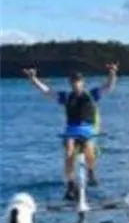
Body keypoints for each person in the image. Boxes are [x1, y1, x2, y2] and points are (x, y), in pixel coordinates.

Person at [23, 64, 118, 197]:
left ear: (82, 83)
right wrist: (34, 79)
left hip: (87, 130)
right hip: (71, 131)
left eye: (77, 81)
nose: (75, 84)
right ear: (70, 83)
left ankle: (90, 172)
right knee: (69, 150)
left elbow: (109, 86)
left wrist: (112, 73)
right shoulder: (66, 97)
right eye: (73, 82)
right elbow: (47, 91)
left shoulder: (92, 95)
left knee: (88, 147)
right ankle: (70, 184)